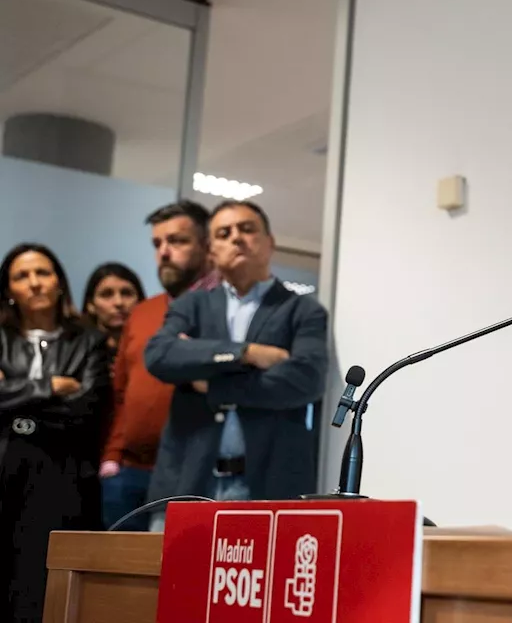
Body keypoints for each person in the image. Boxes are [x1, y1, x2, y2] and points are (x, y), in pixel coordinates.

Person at [144, 200, 328, 523]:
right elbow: (160, 355)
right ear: (211, 250)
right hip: (188, 482)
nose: (237, 238)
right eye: (224, 233)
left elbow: (305, 379)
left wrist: (212, 383)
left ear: (270, 243)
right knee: (172, 575)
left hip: (267, 487)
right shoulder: (193, 305)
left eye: (247, 229)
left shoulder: (302, 310)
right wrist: (247, 354)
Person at [0, 243, 111, 622]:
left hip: (62, 474)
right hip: (4, 469)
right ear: (8, 290)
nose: (33, 283)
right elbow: (64, 400)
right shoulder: (1, 338)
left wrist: (11, 394)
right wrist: (49, 388)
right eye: (21, 276)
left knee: (42, 584)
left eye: (42, 273)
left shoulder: (89, 340)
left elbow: (85, 408)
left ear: (60, 282)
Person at [99, 201, 221, 530]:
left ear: (207, 246)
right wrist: (112, 457)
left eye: (177, 241)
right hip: (127, 472)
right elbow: (122, 393)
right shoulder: (142, 313)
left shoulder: (226, 308)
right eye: (157, 243)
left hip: (192, 475)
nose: (164, 252)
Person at [81, 262, 145, 362]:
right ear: (91, 305)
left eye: (126, 294)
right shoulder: (76, 356)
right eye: (107, 294)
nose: (118, 302)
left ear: (140, 302)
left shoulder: (155, 353)